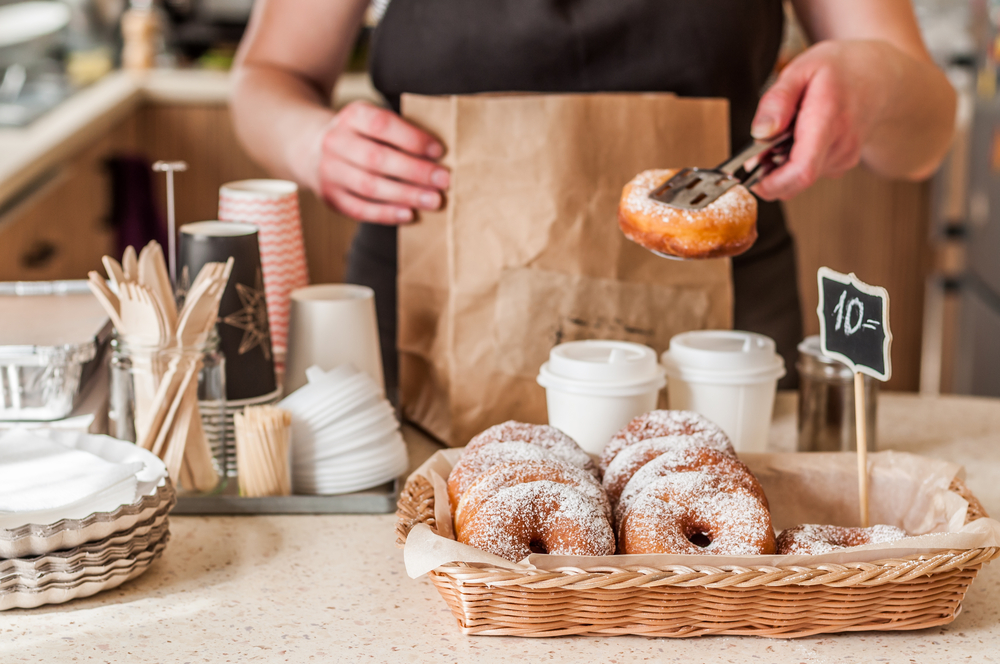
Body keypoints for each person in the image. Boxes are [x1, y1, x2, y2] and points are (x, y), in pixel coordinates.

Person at [230, 0, 956, 395]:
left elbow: (924, 138)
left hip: (719, 344)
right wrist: (311, 143)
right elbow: (266, 76)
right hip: (426, 330)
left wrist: (877, 80)